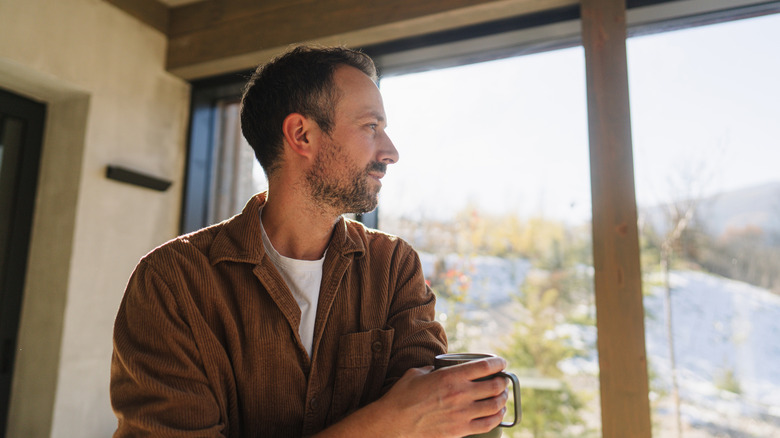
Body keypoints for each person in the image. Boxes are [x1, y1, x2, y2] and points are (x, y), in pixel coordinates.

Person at [110, 45, 509, 437]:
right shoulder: (171, 283)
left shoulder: (393, 266)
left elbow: (431, 423)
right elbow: (412, 420)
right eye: (371, 127)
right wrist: (389, 421)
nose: (391, 152)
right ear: (302, 134)